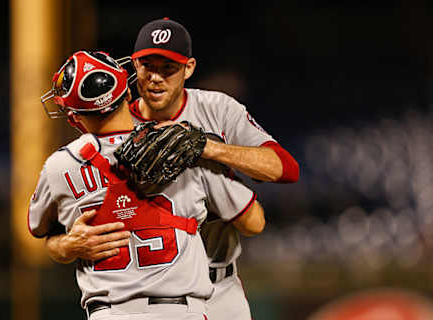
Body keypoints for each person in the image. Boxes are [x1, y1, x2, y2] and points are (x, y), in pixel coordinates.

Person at [29, 50, 266, 320]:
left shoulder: (59, 166)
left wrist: (68, 245)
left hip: (109, 313)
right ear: (128, 94)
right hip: (182, 311)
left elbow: (40, 233)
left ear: (74, 118)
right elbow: (253, 223)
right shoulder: (183, 147)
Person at [127, 18, 300, 320]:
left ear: (189, 68)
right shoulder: (115, 125)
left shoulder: (216, 109)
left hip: (219, 287)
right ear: (134, 65)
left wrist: (208, 148)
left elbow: (285, 169)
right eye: (148, 66)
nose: (156, 77)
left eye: (168, 68)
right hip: (147, 292)